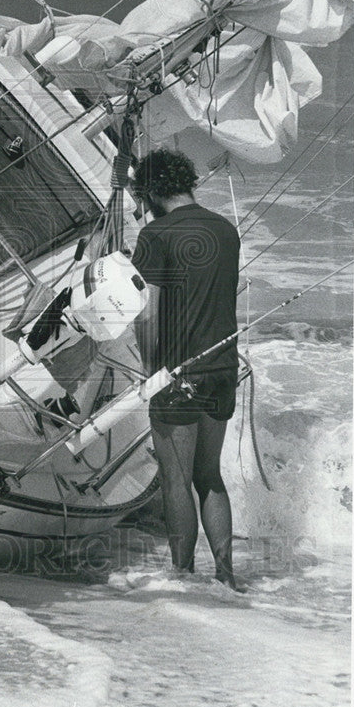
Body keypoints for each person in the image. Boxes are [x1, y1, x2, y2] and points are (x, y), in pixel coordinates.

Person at [130, 148, 244, 590]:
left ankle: (181, 576)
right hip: (222, 368)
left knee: (175, 481)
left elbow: (148, 313)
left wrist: (148, 371)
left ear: (152, 191)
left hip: (178, 373)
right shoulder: (226, 230)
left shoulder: (155, 234)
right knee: (208, 476)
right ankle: (228, 578)